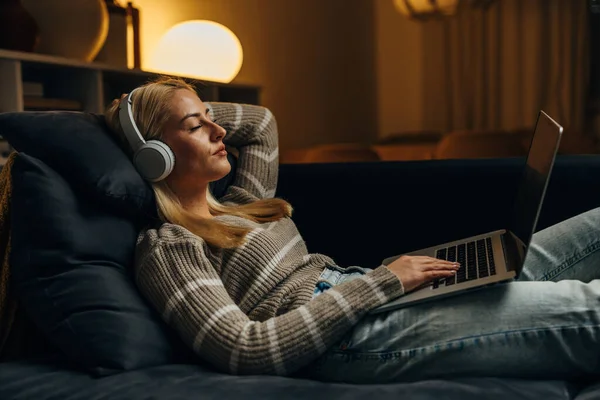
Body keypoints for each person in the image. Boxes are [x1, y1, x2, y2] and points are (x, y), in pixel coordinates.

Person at [104, 76, 600, 384]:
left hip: (370, 294)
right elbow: (245, 350)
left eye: (213, 118)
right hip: (349, 341)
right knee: (590, 309)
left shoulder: (241, 203)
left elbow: (260, 123)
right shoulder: (168, 246)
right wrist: (384, 282)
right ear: (155, 156)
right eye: (196, 126)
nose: (219, 132)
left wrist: (172, 101)